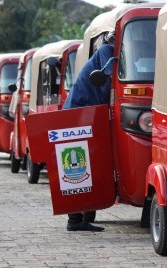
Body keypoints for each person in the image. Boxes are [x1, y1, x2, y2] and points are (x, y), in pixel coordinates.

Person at [63, 41, 114, 232]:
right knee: (80, 165)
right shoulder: (106, 51)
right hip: (78, 114)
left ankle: (80, 216)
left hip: (86, 113)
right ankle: (75, 219)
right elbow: (111, 75)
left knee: (87, 164)